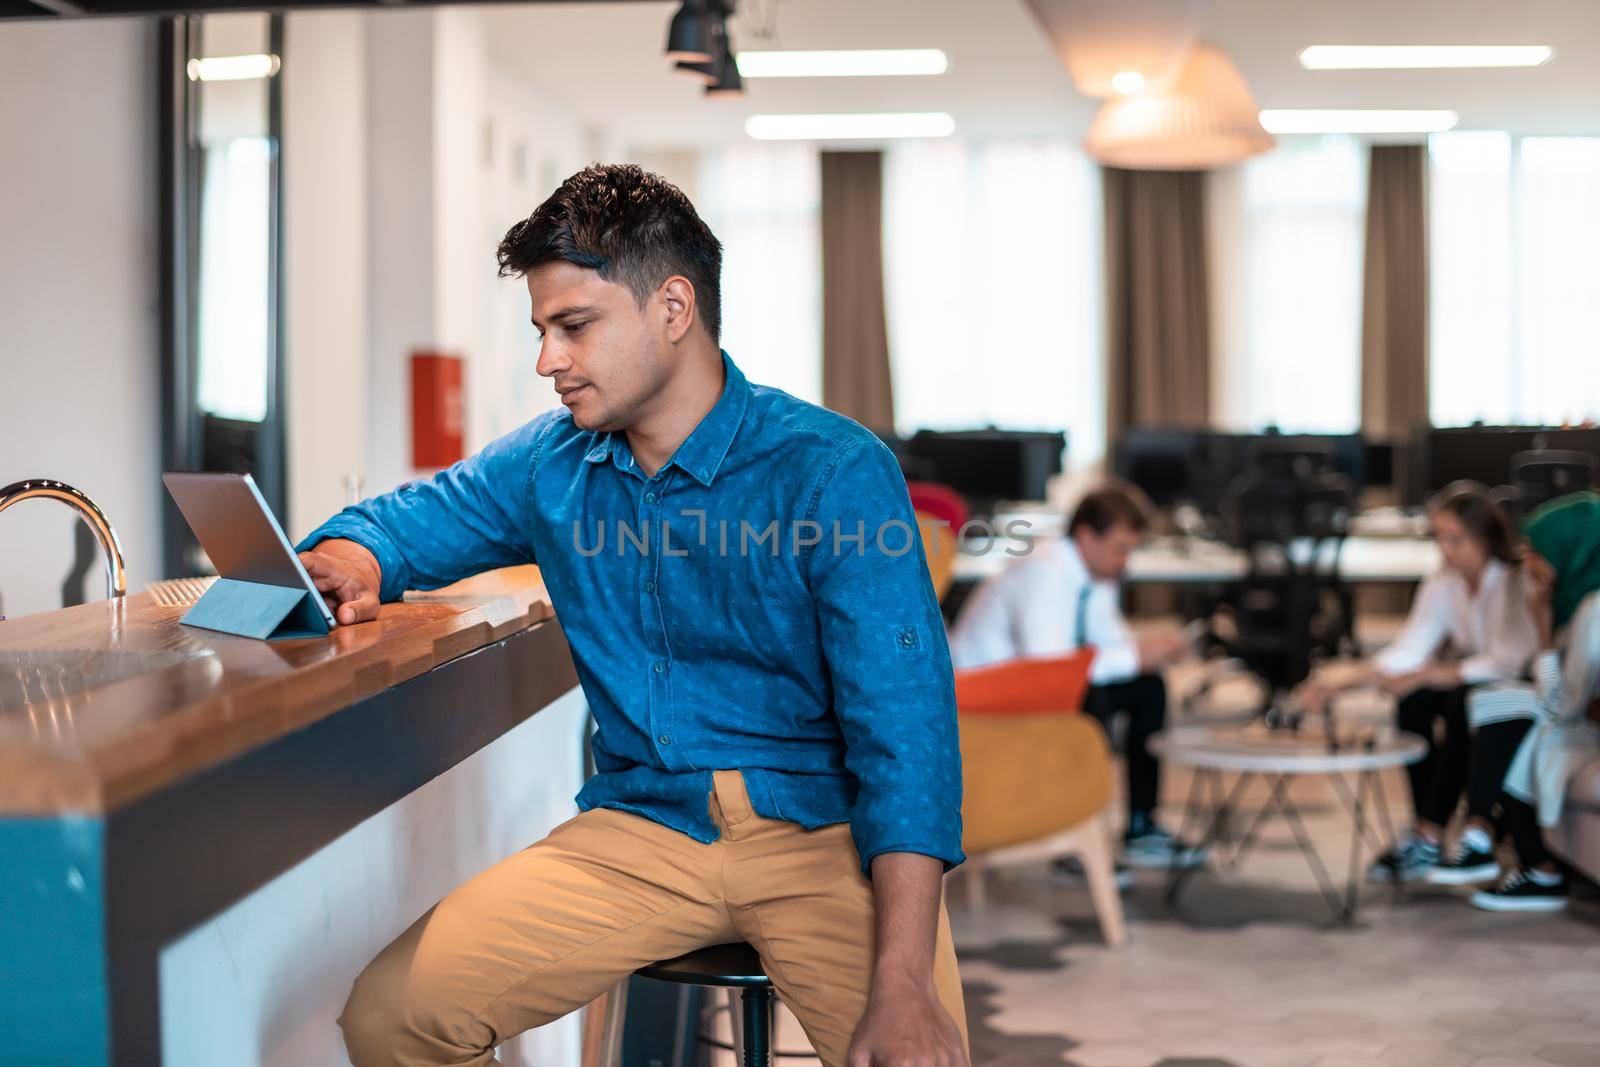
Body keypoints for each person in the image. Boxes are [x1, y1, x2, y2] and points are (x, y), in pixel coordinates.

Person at [298, 165, 969, 1067]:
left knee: (914, 1052)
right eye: (542, 330)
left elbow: (909, 733)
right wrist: (348, 559)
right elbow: (401, 524)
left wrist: (906, 983)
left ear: (673, 308)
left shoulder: (833, 470)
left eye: (574, 325)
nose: (547, 360)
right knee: (391, 1016)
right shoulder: (551, 462)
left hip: (826, 835)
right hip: (641, 829)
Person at [947, 483, 1201, 868]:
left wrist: (1147, 652)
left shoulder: (1093, 575)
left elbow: (1109, 641)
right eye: (1119, 549)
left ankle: (1140, 825)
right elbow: (1051, 665)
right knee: (1088, 697)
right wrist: (1133, 656)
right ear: (1086, 536)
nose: (1124, 562)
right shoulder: (1044, 571)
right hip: (980, 694)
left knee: (1148, 687)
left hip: (1026, 684)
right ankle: (1071, 833)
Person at [1297, 484, 1538, 882]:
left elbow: (1507, 660)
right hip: (1470, 678)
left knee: (1459, 699)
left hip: (1512, 686)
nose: (1445, 549)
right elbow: (1411, 647)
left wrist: (1427, 672)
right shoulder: (1445, 581)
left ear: (1484, 537)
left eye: (1455, 539)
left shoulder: (1512, 580)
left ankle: (1431, 831)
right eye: (1440, 538)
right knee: (1414, 700)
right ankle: (1424, 829)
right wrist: (1344, 681)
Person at [1468, 491, 1600, 911]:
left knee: (1515, 722)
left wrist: (1542, 628)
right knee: (1503, 707)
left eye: (1536, 554)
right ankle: (1493, 840)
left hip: (1587, 731)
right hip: (1581, 723)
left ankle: (1491, 837)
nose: (1529, 566)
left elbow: (1563, 706)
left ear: (1570, 551)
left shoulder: (1594, 612)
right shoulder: (1579, 600)